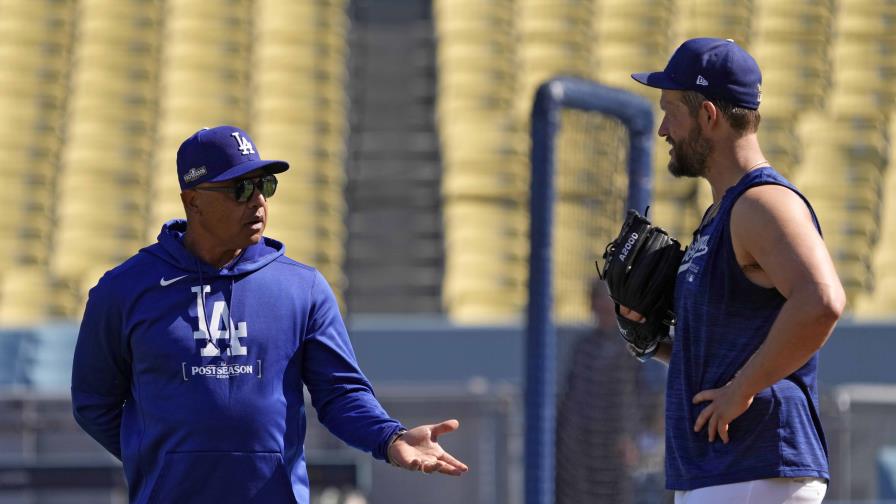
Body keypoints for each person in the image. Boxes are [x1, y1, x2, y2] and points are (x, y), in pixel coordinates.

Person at [71, 125, 468, 504]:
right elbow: (94, 402)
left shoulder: (302, 287)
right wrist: (160, 459)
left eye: (265, 186)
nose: (257, 200)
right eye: (240, 188)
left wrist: (390, 437)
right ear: (192, 200)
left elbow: (341, 394)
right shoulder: (123, 290)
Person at [622, 38, 846, 503]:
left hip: (754, 464)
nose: (663, 128)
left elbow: (822, 301)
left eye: (671, 110)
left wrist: (741, 391)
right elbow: (724, 350)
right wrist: (655, 342)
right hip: (727, 469)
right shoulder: (725, 210)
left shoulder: (762, 203)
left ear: (708, 116)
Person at [555, 279, 666, 504]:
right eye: (599, 300)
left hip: (620, 454)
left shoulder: (637, 347)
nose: (604, 307)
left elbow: (652, 399)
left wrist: (635, 439)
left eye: (610, 301)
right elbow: (571, 400)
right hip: (581, 456)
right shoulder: (583, 348)